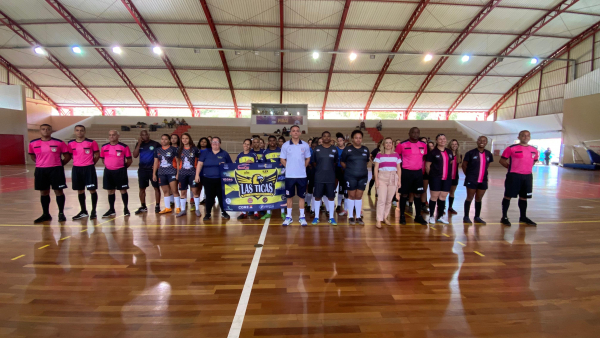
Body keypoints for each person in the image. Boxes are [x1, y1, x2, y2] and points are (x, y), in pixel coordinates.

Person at [29, 124, 71, 223]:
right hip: (41, 170)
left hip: (56, 170)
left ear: (51, 131)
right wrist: (41, 163)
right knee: (43, 192)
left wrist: (60, 165)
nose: (46, 131)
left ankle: (61, 213)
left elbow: (67, 156)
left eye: (48, 129)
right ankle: (45, 214)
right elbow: (32, 156)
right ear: (40, 131)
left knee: (58, 191)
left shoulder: (59, 143)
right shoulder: (33, 143)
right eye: (43, 129)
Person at [499, 130, 538, 226]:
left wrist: (526, 169)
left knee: (524, 197)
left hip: (527, 176)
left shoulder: (534, 149)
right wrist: (512, 168)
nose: (526, 137)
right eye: (523, 136)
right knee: (508, 196)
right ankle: (504, 217)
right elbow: (502, 160)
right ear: (519, 137)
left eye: (528, 135)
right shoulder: (511, 148)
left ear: (530, 137)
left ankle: (523, 217)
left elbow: (534, 161)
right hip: (514, 176)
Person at [395, 128, 428, 226]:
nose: (415, 134)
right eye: (413, 132)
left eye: (417, 132)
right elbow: (397, 159)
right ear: (409, 133)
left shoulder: (423, 145)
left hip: (418, 173)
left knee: (417, 194)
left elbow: (424, 158)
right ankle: (401, 215)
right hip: (406, 172)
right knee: (404, 194)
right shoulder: (402, 145)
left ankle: (418, 215)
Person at [280, 125, 311, 226]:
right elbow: (282, 159)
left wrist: (303, 167)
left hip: (302, 176)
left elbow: (308, 159)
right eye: (293, 131)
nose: (295, 132)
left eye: (297, 131)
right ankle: (289, 217)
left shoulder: (305, 145)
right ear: (290, 133)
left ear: (300, 133)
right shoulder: (285, 145)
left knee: (302, 197)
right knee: (289, 197)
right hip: (289, 176)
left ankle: (302, 217)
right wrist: (289, 167)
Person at [195, 137, 232, 221]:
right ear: (211, 144)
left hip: (221, 180)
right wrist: (197, 175)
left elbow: (230, 166)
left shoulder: (224, 154)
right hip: (208, 179)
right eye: (213, 142)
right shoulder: (205, 153)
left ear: (220, 143)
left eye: (217, 142)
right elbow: (200, 164)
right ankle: (208, 213)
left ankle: (224, 212)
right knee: (209, 197)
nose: (215, 143)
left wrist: (224, 164)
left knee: (221, 197)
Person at [68, 125, 100, 220]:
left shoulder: (91, 142)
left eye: (81, 130)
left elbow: (97, 154)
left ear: (84, 132)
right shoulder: (70, 143)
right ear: (74, 131)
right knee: (80, 190)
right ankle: (83, 211)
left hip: (89, 168)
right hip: (77, 169)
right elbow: (70, 155)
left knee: (92, 190)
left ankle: (93, 210)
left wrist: (90, 164)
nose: (79, 132)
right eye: (77, 130)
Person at [100, 130, 132, 217]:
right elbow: (103, 159)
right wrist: (110, 165)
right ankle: (111, 209)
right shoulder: (104, 147)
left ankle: (125, 208)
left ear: (118, 136)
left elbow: (129, 160)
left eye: (113, 135)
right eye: (110, 135)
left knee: (123, 190)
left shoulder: (124, 147)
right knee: (110, 191)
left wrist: (121, 168)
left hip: (120, 171)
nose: (111, 136)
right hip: (108, 172)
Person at [341, 130, 370, 225]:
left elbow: (366, 161)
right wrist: (350, 169)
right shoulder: (347, 149)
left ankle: (358, 217)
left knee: (359, 196)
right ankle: (350, 217)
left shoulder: (365, 149)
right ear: (352, 139)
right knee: (351, 195)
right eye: (356, 138)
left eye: (360, 138)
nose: (358, 139)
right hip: (350, 176)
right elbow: (342, 162)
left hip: (363, 177)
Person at [462, 136, 493, 224]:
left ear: (486, 142)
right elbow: (464, 165)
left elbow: (487, 166)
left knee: (479, 198)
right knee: (469, 197)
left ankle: (477, 217)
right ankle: (466, 216)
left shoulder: (488, 154)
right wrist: (469, 176)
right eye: (480, 140)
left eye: (484, 140)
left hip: (483, 180)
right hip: (472, 179)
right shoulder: (470, 153)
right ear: (477, 141)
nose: (482, 142)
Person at [310, 131, 338, 225]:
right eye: (324, 136)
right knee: (317, 197)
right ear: (321, 138)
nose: (326, 138)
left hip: (330, 177)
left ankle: (331, 217)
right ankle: (316, 217)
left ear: (330, 138)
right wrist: (320, 169)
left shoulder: (334, 149)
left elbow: (335, 163)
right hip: (319, 176)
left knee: (331, 197)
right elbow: (314, 162)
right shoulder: (317, 149)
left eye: (328, 136)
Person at [425, 134, 454, 224]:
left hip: (447, 179)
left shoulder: (449, 152)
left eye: (444, 139)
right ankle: (431, 216)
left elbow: (451, 163)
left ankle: (440, 216)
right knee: (434, 197)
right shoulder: (433, 152)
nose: (442, 140)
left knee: (443, 197)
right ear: (436, 141)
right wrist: (432, 176)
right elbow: (427, 166)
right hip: (435, 178)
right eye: (440, 139)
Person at [374, 137, 401, 229]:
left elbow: (399, 168)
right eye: (386, 143)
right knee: (381, 199)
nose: (388, 144)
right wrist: (376, 180)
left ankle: (385, 217)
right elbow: (376, 168)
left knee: (389, 200)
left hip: (393, 177)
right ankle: (379, 219)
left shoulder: (396, 155)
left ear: (392, 144)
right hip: (382, 177)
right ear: (383, 144)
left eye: (390, 143)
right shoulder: (379, 155)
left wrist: (399, 180)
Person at [133, 130, 161, 214]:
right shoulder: (139, 145)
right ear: (140, 136)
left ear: (149, 135)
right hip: (142, 170)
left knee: (156, 187)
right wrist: (138, 144)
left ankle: (157, 205)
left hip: (153, 170)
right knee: (142, 188)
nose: (144, 136)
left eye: (146, 134)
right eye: (142, 135)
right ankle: (143, 206)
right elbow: (135, 155)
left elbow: (161, 155)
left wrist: (158, 164)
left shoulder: (155, 144)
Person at [154, 134, 180, 214]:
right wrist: (154, 174)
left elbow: (178, 162)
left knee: (174, 190)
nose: (163, 141)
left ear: (169, 140)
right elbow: (155, 162)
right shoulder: (157, 150)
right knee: (165, 191)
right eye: (162, 139)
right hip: (161, 173)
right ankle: (167, 208)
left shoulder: (174, 149)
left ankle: (178, 207)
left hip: (172, 172)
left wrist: (178, 173)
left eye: (165, 139)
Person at [177, 133, 201, 217]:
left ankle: (197, 208)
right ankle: (183, 210)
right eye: (183, 138)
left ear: (189, 139)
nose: (184, 140)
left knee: (195, 191)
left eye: (186, 138)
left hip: (192, 174)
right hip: (182, 174)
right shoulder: (179, 149)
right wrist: (177, 173)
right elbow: (178, 162)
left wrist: (197, 174)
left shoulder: (194, 149)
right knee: (183, 192)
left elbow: (199, 162)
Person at [236, 139, 260, 220]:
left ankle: (256, 212)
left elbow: (258, 166)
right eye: (245, 144)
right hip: (243, 178)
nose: (246, 145)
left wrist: (252, 163)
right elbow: (235, 166)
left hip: (252, 179)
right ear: (243, 144)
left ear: (251, 146)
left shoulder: (253, 155)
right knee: (243, 195)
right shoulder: (239, 155)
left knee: (253, 194)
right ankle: (243, 212)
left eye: (248, 144)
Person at [262, 135, 283, 219]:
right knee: (269, 193)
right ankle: (268, 212)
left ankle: (282, 212)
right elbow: (262, 165)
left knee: (281, 194)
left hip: (280, 176)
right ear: (268, 142)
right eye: (270, 141)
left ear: (276, 141)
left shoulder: (281, 151)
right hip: (269, 176)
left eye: (274, 140)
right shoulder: (265, 152)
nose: (272, 142)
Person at [335, 133, 348, 216]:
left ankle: (345, 206)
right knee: (338, 186)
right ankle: (338, 204)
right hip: (337, 169)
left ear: (344, 141)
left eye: (341, 140)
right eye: (338, 141)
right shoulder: (335, 149)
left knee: (344, 187)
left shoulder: (347, 149)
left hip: (346, 170)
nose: (339, 142)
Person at [447, 139, 461, 215]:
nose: (454, 145)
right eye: (453, 144)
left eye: (456, 144)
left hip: (455, 176)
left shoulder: (459, 155)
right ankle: (440, 207)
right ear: (450, 145)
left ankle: (450, 207)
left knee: (452, 192)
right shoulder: (447, 154)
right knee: (444, 192)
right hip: (447, 176)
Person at [305, 138, 318, 216]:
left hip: (316, 172)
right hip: (307, 172)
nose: (314, 146)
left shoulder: (318, 151)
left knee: (314, 190)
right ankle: (308, 204)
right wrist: (308, 164)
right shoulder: (308, 150)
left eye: (315, 145)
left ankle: (313, 208)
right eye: (312, 145)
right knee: (309, 189)